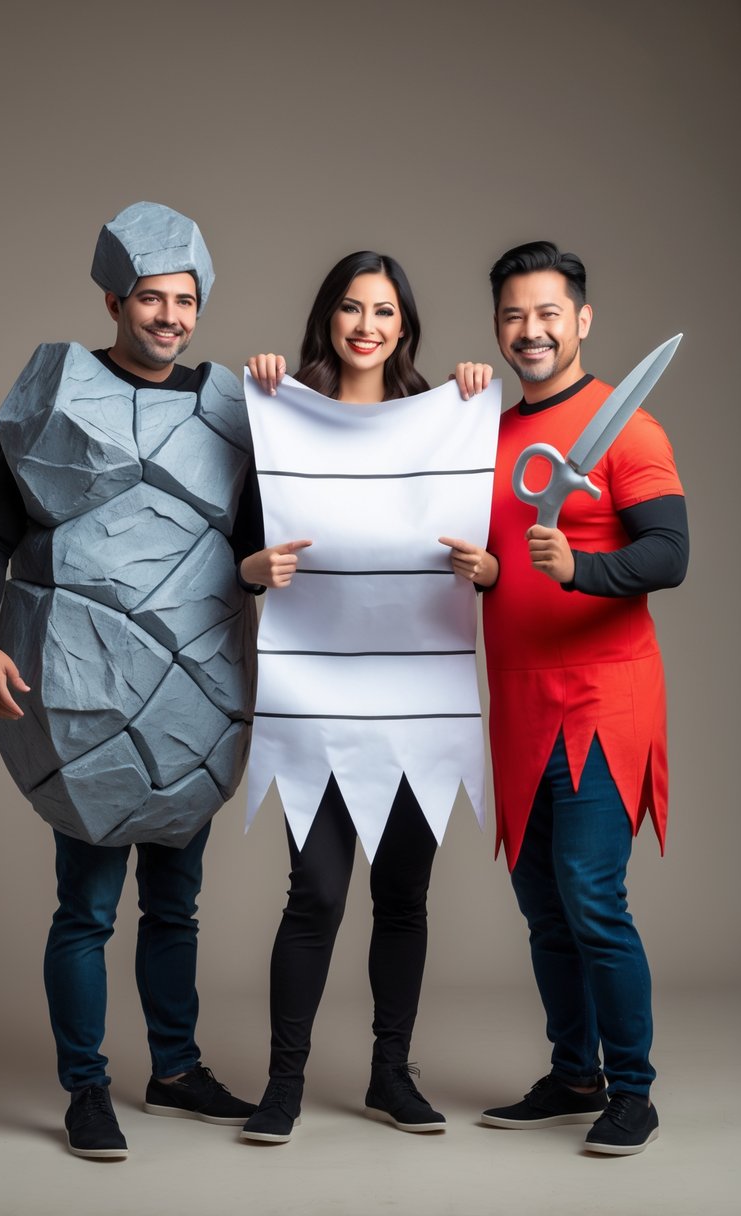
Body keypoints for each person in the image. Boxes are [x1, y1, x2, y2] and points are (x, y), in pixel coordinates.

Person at [0, 202, 263, 1159]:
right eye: (151, 299)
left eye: (184, 300)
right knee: (86, 907)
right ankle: (85, 1089)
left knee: (176, 901)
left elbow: (257, 540)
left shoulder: (228, 410)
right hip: (83, 692)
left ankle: (173, 1069)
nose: (170, 317)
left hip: (197, 695)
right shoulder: (60, 396)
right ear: (113, 298)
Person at [237, 251, 492, 1144]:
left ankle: (391, 1074)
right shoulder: (280, 417)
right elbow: (240, 547)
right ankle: (284, 1084)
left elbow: (484, 552)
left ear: (404, 327)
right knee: (314, 896)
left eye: (384, 311)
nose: (366, 325)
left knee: (404, 897)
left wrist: (471, 395)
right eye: (350, 307)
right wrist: (250, 567)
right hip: (315, 692)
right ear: (328, 317)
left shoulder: (446, 421)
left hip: (417, 693)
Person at [446, 240, 688, 1156]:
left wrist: (580, 566)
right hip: (516, 698)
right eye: (513, 314)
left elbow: (669, 553)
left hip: (602, 697)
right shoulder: (489, 437)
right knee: (541, 901)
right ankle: (573, 1071)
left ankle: (633, 1090)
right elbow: (499, 560)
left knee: (590, 893)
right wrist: (490, 571)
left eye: (548, 312)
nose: (529, 330)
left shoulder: (630, 429)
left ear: (580, 319)